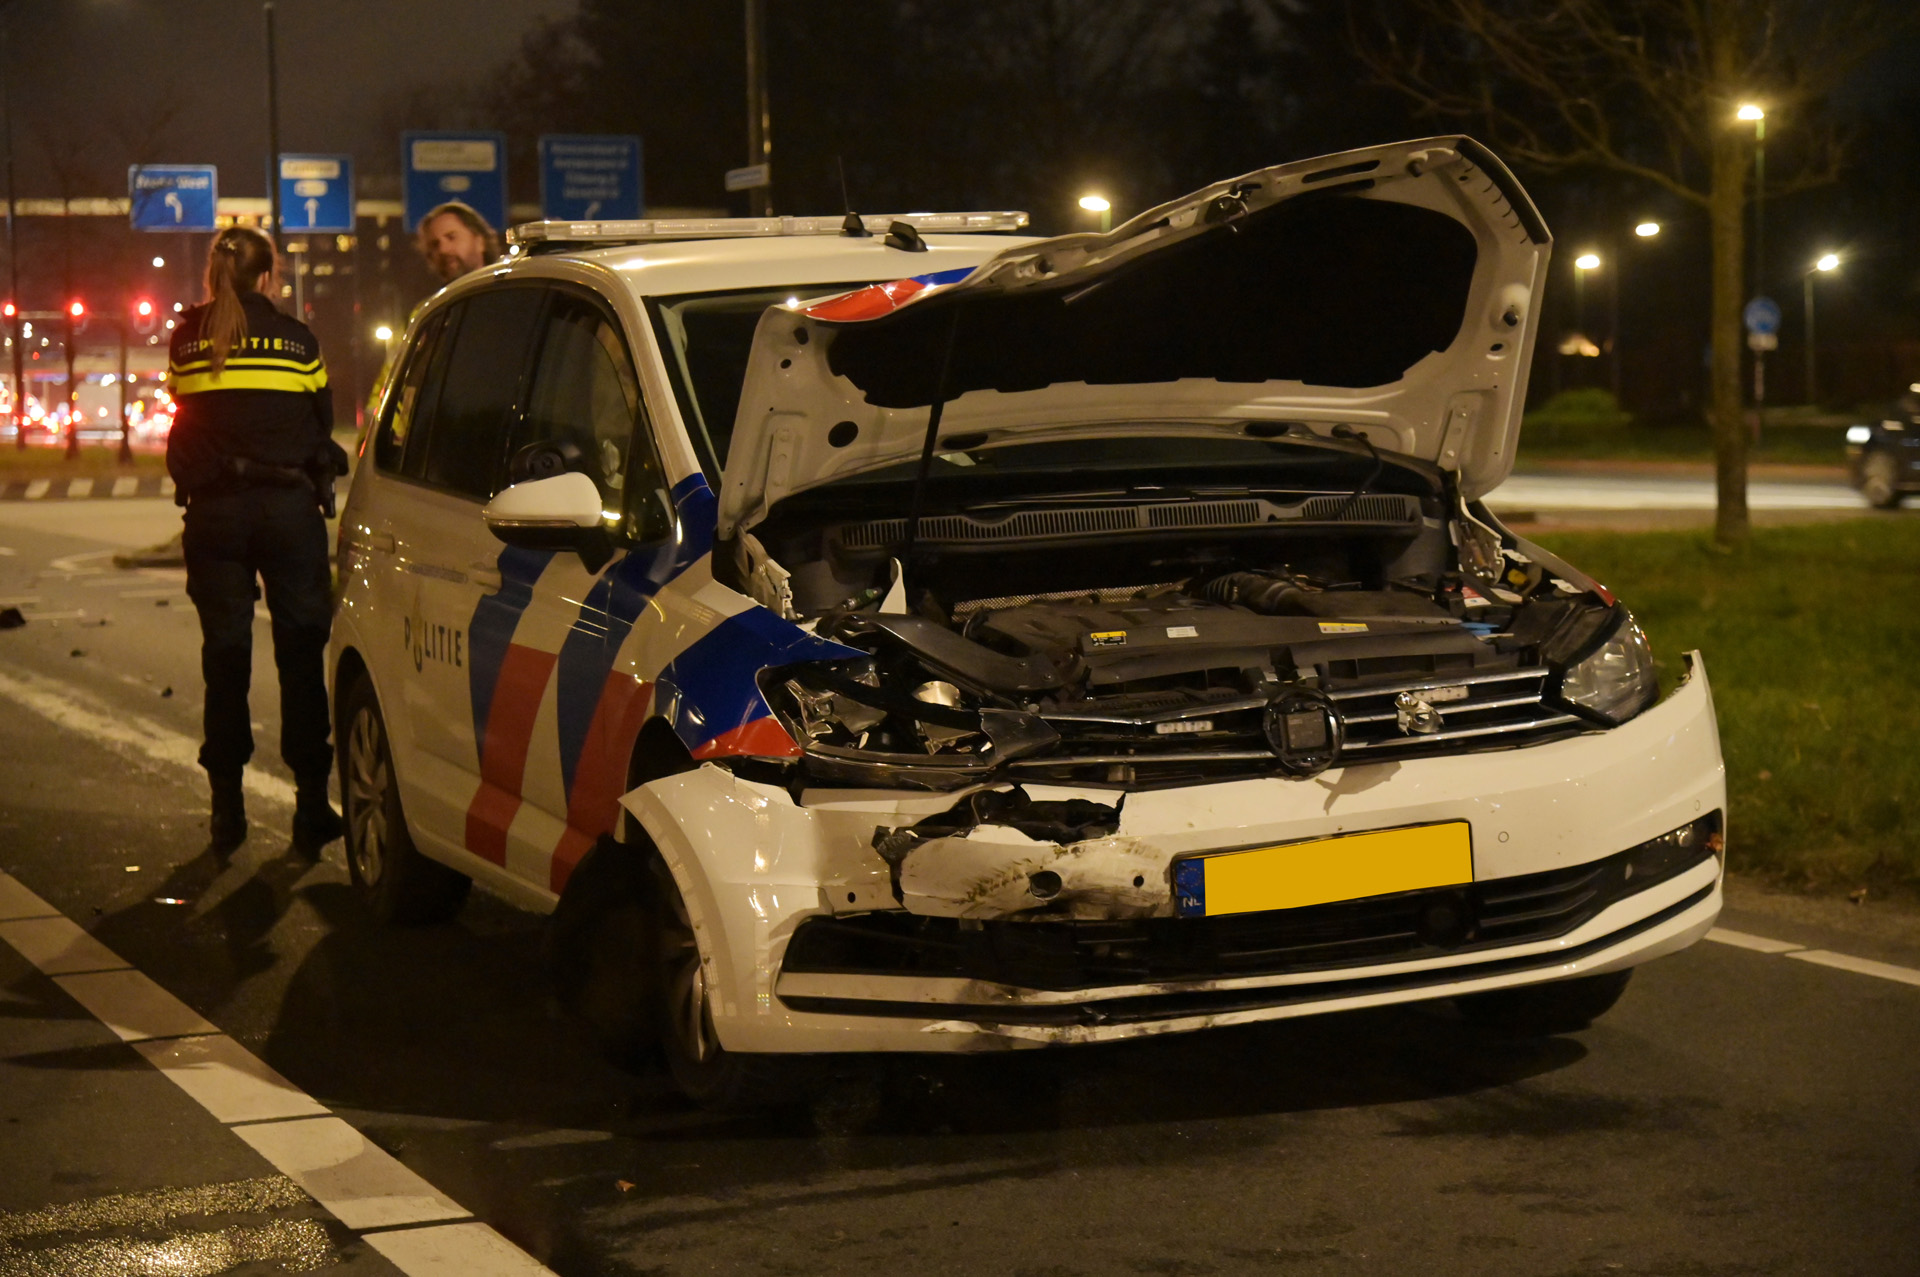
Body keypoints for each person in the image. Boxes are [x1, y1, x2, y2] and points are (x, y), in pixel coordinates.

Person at [166, 226, 347, 856]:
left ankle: (227, 811)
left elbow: (187, 414)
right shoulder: (298, 341)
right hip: (287, 515)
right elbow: (321, 422)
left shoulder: (186, 339)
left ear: (215, 274)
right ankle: (311, 807)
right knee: (300, 656)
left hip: (214, 516)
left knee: (225, 658)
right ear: (270, 277)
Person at [416, 201, 501, 282]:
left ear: (480, 242)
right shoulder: (443, 297)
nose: (443, 250)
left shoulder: (507, 291)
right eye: (435, 244)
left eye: (451, 237)